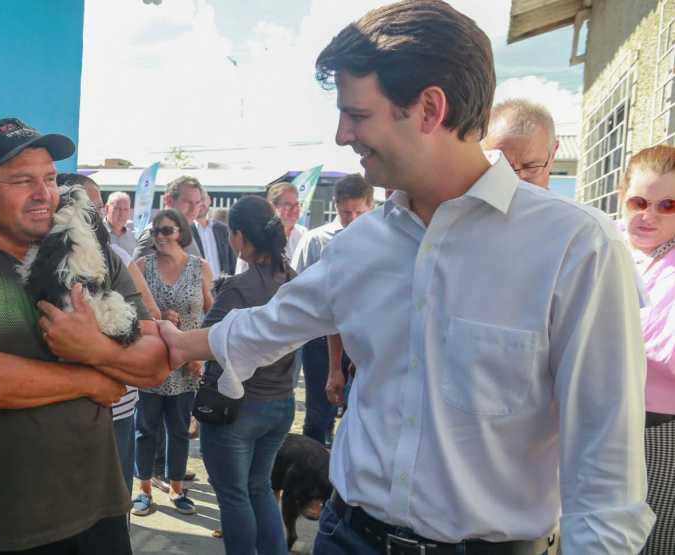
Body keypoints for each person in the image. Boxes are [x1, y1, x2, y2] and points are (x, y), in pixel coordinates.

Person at [156, 2, 655, 553]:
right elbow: (269, 325)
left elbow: (605, 484)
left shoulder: (576, 247)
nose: (343, 134)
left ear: (430, 108)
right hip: (347, 536)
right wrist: (178, 345)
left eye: (358, 114)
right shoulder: (360, 245)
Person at [0, 118, 169, 554]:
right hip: (6, 523)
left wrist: (93, 348)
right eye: (21, 180)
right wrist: (91, 380)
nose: (42, 193)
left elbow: (157, 361)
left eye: (49, 178)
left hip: (100, 504)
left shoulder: (92, 254)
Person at [199, 195, 297, 555]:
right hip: (281, 404)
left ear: (239, 236)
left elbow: (205, 342)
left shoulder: (241, 287)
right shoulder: (292, 278)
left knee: (234, 495)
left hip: (239, 407)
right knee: (258, 488)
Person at [60, 171, 163, 499]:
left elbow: (152, 320)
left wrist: (97, 343)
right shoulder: (42, 260)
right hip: (56, 409)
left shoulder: (114, 258)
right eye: (85, 206)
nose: (94, 215)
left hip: (115, 404)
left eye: (97, 206)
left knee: (113, 505)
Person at [132, 208, 213, 517]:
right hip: (152, 361)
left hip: (186, 364)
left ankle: (176, 488)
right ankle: (143, 489)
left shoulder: (199, 267)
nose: (160, 237)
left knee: (179, 430)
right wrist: (159, 317)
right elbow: (132, 312)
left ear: (181, 231)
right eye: (155, 232)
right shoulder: (143, 265)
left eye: (167, 230)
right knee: (145, 429)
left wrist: (200, 354)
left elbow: (213, 312)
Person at [616, 145, 675, 555]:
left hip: (658, 429)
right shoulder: (604, 243)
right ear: (623, 196)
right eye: (639, 201)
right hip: (597, 420)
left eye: (668, 205)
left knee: (651, 541)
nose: (649, 215)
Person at [292, 173, 373, 448]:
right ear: (335, 206)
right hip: (320, 338)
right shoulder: (316, 240)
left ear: (370, 206)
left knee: (358, 410)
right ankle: (313, 468)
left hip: (364, 338)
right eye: (344, 211)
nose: (350, 218)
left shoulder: (381, 240)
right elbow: (298, 287)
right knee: (318, 409)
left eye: (357, 212)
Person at [481, 98, 559, 189]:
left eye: (530, 167)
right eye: (503, 167)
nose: (517, 181)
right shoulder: (463, 202)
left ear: (552, 155)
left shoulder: (562, 204)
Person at [235, 182, 308, 274]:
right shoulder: (255, 237)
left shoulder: (305, 235)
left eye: (297, 204)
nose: (295, 210)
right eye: (288, 205)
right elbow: (243, 276)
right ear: (272, 206)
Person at [132, 176, 204, 260]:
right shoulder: (153, 235)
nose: (193, 209)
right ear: (169, 200)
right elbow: (136, 271)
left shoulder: (188, 232)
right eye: (187, 202)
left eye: (197, 203)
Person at [194, 190, 237, 276]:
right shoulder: (186, 231)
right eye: (196, 201)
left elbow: (232, 262)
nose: (200, 204)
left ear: (209, 200)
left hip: (222, 287)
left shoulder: (224, 230)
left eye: (202, 199)